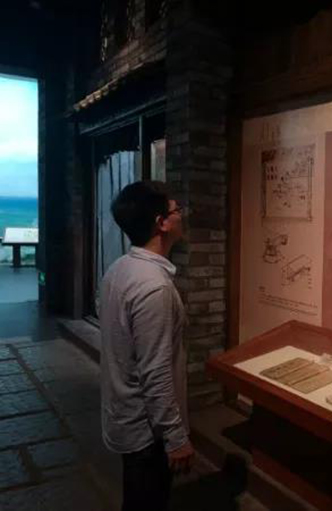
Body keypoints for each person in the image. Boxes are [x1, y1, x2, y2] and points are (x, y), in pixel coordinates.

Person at [99, 181, 194, 511]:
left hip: (125, 415)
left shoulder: (120, 268)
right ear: (161, 223)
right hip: (146, 431)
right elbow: (155, 372)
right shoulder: (154, 287)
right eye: (177, 210)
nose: (182, 215)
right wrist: (176, 437)